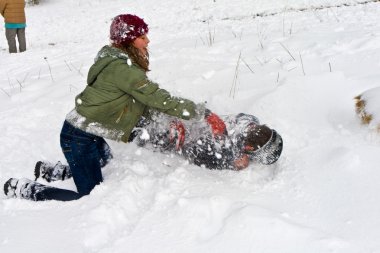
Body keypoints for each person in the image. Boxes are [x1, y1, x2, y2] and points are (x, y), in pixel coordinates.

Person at [3, 14, 203, 201]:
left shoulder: (120, 62)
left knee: (106, 164)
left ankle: (54, 172)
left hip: (89, 132)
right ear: (128, 40)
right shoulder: (122, 69)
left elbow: (143, 101)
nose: (148, 41)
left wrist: (170, 120)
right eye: (142, 36)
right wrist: (202, 113)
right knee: (89, 197)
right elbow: (159, 98)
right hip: (78, 137)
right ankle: (28, 189)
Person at [28, 112, 283, 185]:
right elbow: (244, 117)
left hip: (161, 136)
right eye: (258, 130)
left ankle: (58, 174)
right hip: (164, 120)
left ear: (250, 148)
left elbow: (195, 154)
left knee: (113, 171)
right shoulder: (246, 127)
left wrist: (231, 161)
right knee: (111, 166)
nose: (252, 129)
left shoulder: (228, 154)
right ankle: (61, 173)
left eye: (255, 136)